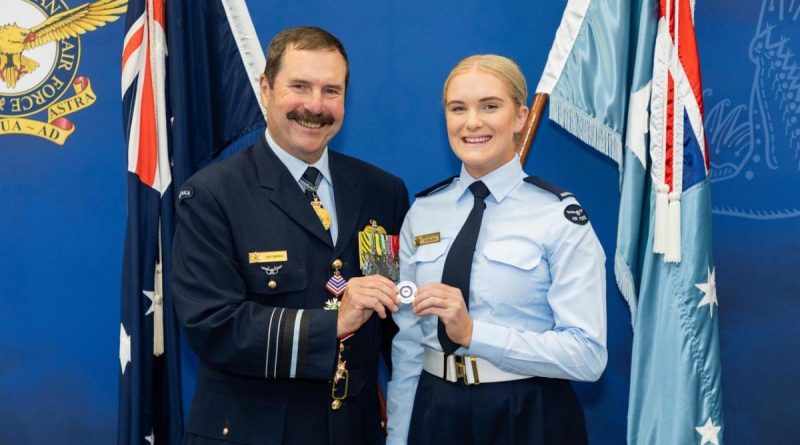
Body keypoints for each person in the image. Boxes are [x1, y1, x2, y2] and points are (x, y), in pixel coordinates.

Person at [172, 26, 409, 444]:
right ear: (265, 88)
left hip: (355, 429)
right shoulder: (212, 194)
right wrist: (333, 322)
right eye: (299, 86)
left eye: (331, 91)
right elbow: (212, 324)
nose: (315, 106)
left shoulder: (382, 192)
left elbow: (397, 326)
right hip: (254, 431)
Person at [386, 54, 607, 444]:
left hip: (527, 412)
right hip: (436, 413)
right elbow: (407, 343)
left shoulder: (558, 215)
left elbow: (587, 356)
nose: (472, 122)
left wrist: (473, 333)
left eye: (490, 106)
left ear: (520, 117)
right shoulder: (423, 212)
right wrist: (399, 436)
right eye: (458, 109)